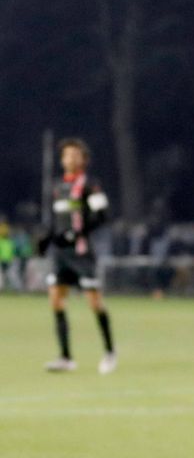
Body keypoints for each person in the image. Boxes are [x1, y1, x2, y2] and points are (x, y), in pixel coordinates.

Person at [42, 138, 117, 374]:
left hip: (82, 253)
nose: (71, 159)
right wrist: (48, 238)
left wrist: (79, 232)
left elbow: (103, 214)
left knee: (94, 303)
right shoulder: (58, 187)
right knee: (55, 299)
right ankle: (65, 357)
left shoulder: (89, 185)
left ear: (84, 159)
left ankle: (109, 352)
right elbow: (58, 220)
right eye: (67, 155)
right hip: (61, 253)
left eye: (76, 155)